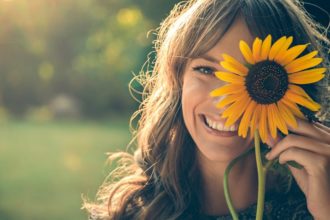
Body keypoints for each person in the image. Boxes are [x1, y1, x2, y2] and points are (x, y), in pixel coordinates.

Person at [84, 0, 330, 219]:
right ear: (178, 79)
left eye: (250, 76)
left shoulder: (315, 206)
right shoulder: (132, 214)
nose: (225, 102)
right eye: (206, 70)